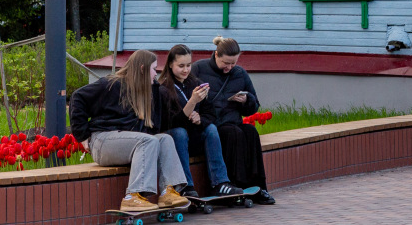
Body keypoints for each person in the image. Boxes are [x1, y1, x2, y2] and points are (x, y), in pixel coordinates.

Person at [70, 49, 191, 214]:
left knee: (165, 139)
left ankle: (168, 192)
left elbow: (155, 127)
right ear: (142, 68)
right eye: (153, 69)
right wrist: (82, 136)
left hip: (130, 143)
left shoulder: (149, 89)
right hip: (103, 141)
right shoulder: (112, 84)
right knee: (148, 140)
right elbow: (78, 97)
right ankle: (132, 197)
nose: (156, 74)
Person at [192, 36, 274, 205]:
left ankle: (258, 187)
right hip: (211, 125)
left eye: (233, 63)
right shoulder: (199, 68)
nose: (229, 67)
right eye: (225, 63)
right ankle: (233, 185)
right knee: (232, 133)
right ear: (216, 55)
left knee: (251, 132)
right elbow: (188, 97)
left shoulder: (240, 73)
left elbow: (254, 106)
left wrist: (246, 100)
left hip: (232, 121)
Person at [158, 44, 244, 199]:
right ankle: (185, 186)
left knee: (211, 128)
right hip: (176, 142)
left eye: (188, 65)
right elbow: (168, 123)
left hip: (195, 138)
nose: (185, 70)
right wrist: (192, 103)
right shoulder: (163, 88)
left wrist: (200, 120)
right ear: (170, 64)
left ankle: (220, 183)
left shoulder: (195, 83)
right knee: (179, 132)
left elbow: (211, 114)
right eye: (181, 66)